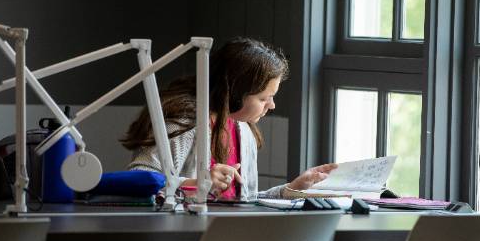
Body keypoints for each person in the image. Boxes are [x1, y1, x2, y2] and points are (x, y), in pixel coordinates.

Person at [120, 37, 337, 201]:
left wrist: (292, 190)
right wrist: (195, 184)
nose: (272, 105)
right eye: (264, 98)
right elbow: (139, 179)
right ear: (234, 92)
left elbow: (246, 204)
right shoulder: (182, 125)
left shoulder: (244, 130)